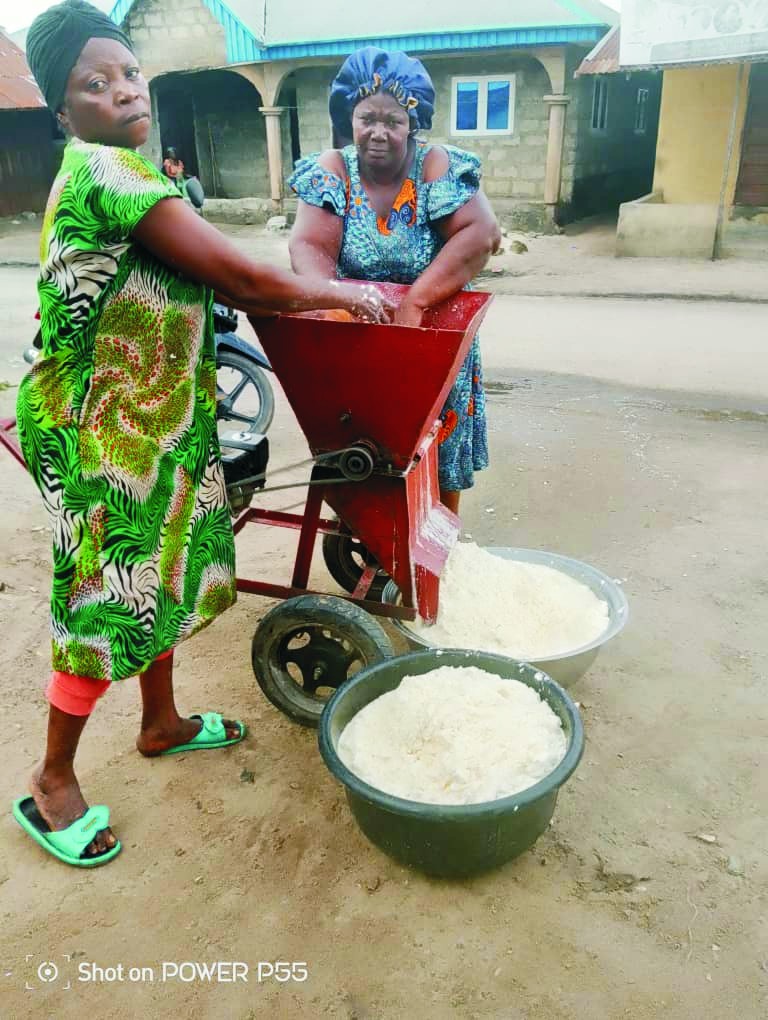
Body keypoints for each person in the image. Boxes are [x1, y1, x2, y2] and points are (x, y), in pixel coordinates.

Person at [15, 0, 393, 868]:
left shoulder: (133, 174)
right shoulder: (103, 175)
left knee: (170, 573)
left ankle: (161, 724)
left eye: (129, 74)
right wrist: (341, 294)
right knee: (107, 600)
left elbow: (205, 277)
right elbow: (238, 273)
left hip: (158, 416)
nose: (123, 91)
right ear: (64, 110)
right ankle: (51, 782)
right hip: (100, 435)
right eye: (95, 84)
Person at [288, 47, 501, 514]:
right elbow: (310, 247)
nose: (379, 132)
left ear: (413, 122)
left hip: (432, 341)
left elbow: (481, 234)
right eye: (367, 118)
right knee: (363, 447)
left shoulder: (434, 166)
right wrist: (333, 300)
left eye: (393, 121)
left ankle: (439, 544)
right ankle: (364, 531)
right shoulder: (334, 169)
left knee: (435, 449)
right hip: (358, 337)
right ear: (350, 117)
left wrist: (417, 303)